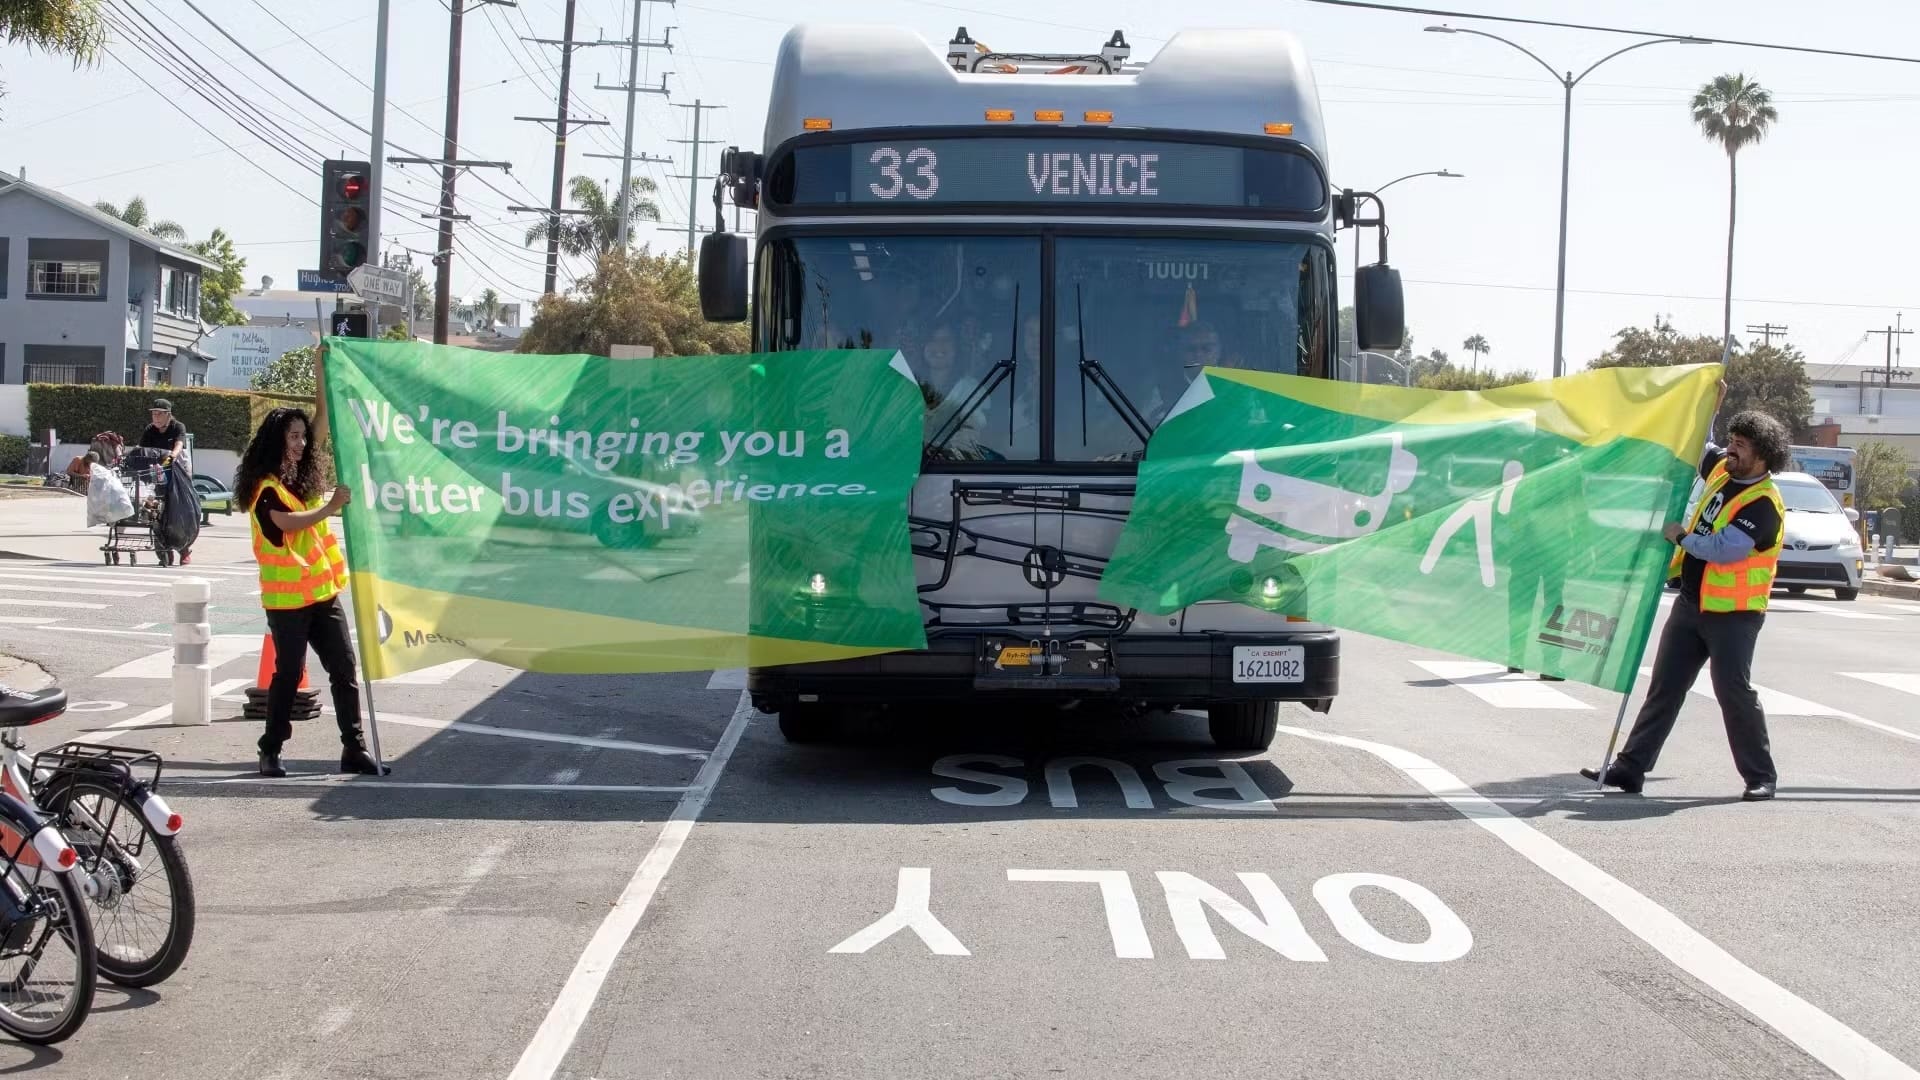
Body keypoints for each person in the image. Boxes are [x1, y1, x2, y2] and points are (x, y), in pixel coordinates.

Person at [1582, 384, 1788, 801]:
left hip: (1733, 615)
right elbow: (1701, 446)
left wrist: (1680, 536)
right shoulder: (1721, 472)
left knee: (1733, 691)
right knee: (1665, 686)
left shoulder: (1763, 504)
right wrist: (1707, 406)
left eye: (1740, 446)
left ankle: (1760, 775)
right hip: (1692, 605)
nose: (1730, 451)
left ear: (1762, 456)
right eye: (1731, 442)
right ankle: (1631, 767)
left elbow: (1725, 551)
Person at [233, 398, 388, 778]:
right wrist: (330, 506)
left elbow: (322, 416)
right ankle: (270, 748)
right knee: (288, 673)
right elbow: (285, 523)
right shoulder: (264, 487)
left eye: (303, 437)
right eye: (294, 437)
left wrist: (322, 367)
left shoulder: (302, 477)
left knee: (344, 668)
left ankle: (354, 747)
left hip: (321, 594)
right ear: (277, 441)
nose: (302, 443)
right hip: (287, 601)